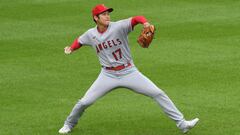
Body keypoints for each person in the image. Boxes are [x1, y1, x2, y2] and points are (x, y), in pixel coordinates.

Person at [59, 4, 199, 134]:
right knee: (85, 102)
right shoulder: (91, 34)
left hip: (129, 72)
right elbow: (80, 41)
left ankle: (182, 124)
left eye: (108, 13)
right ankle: (69, 124)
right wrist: (71, 48)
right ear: (96, 18)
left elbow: (135, 19)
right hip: (107, 75)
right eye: (104, 14)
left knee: (157, 93)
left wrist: (145, 23)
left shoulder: (119, 26)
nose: (108, 16)